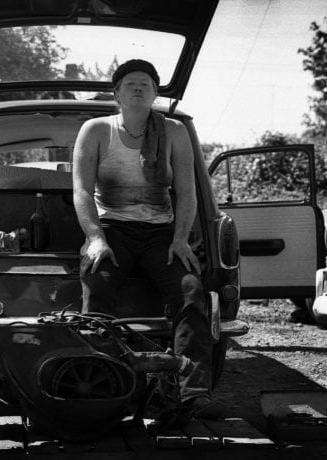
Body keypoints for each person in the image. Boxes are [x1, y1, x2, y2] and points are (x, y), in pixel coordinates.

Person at [72, 59, 225, 423]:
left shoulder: (173, 130)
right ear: (116, 95)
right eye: (130, 83)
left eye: (146, 83)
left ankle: (193, 394)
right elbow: (80, 190)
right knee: (97, 290)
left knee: (191, 291)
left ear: (156, 93)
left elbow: (186, 193)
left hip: (161, 234)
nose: (138, 87)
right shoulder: (95, 129)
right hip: (112, 230)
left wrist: (182, 240)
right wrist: (94, 238)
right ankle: (105, 388)